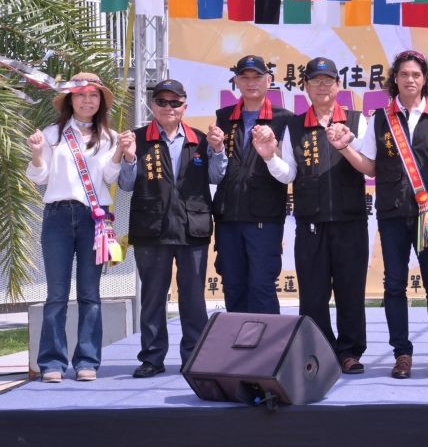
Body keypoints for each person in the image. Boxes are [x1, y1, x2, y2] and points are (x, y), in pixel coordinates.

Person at [329, 51, 428, 380]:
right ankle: (402, 354)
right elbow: (369, 166)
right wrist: (344, 148)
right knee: (394, 284)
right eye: (404, 74)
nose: (410, 79)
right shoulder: (381, 118)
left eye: (416, 75)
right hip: (392, 213)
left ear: (426, 80)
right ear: (395, 79)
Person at [256, 58, 369, 374]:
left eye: (328, 80)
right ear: (305, 85)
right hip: (310, 223)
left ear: (338, 85)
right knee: (314, 293)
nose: (322, 86)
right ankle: (319, 352)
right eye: (315, 80)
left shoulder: (357, 121)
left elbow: (368, 165)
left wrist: (346, 145)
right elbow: (288, 173)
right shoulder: (294, 126)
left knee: (350, 290)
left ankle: (350, 352)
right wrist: (269, 157)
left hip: (350, 220)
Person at [112, 79, 212, 378]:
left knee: (193, 297)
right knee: (153, 296)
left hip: (192, 227)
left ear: (185, 106)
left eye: (175, 102)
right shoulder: (137, 138)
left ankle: (195, 357)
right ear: (153, 105)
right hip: (151, 228)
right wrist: (129, 157)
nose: (169, 107)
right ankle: (152, 358)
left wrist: (219, 151)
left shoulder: (200, 139)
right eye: (162, 102)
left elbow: (218, 176)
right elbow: (126, 185)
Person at [26, 72, 118, 383]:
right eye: (80, 95)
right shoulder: (52, 133)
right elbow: (39, 177)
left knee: (90, 294)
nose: (87, 100)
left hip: (95, 219)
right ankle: (52, 362)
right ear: (70, 99)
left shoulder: (110, 137)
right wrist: (37, 153)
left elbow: (110, 177)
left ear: (101, 101)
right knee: (56, 294)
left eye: (93, 95)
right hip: (58, 217)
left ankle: (87, 361)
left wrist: (122, 152)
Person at [207, 55, 293, 315]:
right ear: (236, 81)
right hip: (228, 216)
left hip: (264, 216)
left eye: (257, 77)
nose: (251, 82)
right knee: (233, 286)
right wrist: (216, 149)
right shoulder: (224, 117)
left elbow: (290, 171)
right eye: (245, 77)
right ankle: (238, 342)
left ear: (269, 80)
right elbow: (216, 170)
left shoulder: (284, 119)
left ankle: (268, 342)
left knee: (262, 286)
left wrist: (273, 150)